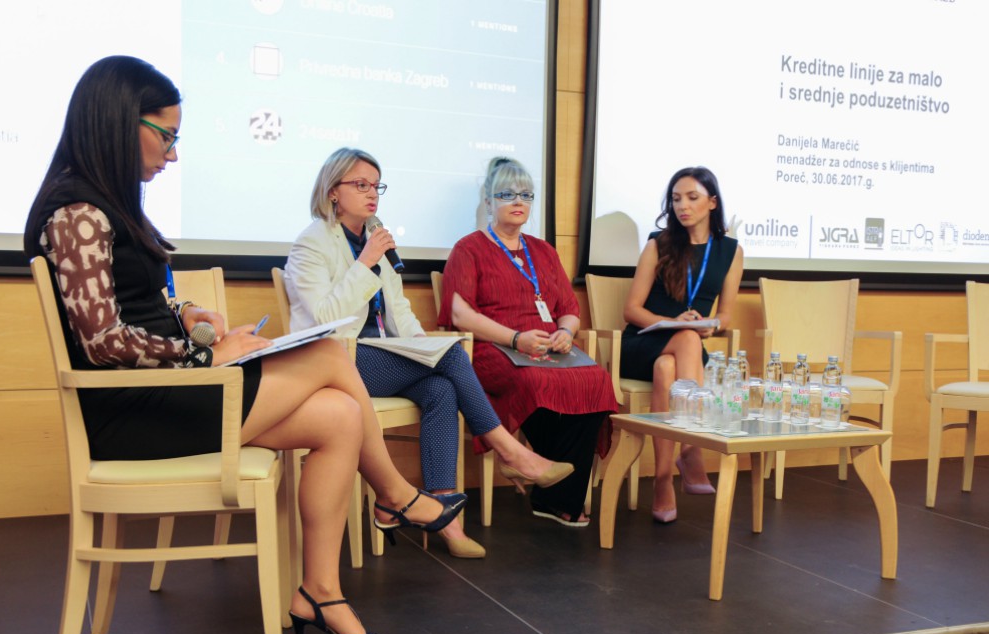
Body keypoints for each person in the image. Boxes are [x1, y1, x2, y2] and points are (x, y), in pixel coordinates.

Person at [24, 56, 467, 634]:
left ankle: (319, 592)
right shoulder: (76, 211)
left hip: (169, 395)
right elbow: (102, 341)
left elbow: (131, 305)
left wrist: (187, 315)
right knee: (329, 354)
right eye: (167, 136)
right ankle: (395, 494)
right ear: (119, 122)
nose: (173, 154)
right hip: (138, 413)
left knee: (340, 416)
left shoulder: (104, 204)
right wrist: (203, 357)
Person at [284, 148, 575, 557]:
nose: (372, 194)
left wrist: (422, 344)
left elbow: (399, 309)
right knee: (453, 356)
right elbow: (323, 319)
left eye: (377, 186)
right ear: (333, 191)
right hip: (334, 359)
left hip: (378, 353)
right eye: (361, 185)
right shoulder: (311, 243)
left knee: (442, 387)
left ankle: (446, 519)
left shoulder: (374, 239)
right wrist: (365, 263)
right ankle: (510, 451)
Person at [437, 157, 619, 527]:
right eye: (507, 194)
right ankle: (556, 494)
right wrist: (516, 339)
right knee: (534, 381)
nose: (518, 201)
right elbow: (460, 314)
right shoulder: (469, 249)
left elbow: (569, 309)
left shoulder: (544, 251)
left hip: (548, 349)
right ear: (489, 202)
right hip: (495, 349)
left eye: (526, 194)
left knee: (596, 379)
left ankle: (554, 495)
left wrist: (565, 332)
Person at [619, 166, 744, 523]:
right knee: (682, 341)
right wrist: (676, 323)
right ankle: (691, 448)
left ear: (712, 202)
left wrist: (711, 325)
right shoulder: (658, 244)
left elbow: (726, 314)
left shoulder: (731, 251)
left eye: (692, 197)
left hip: (683, 350)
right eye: (676, 199)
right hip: (643, 342)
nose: (682, 206)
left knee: (667, 368)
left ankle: (662, 480)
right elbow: (632, 310)